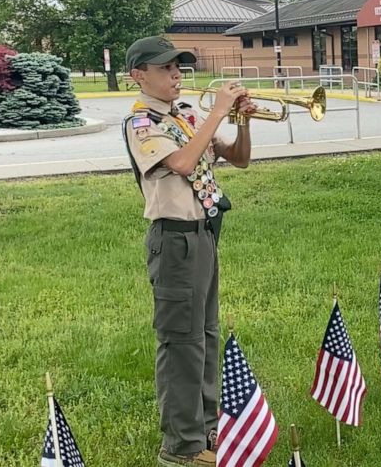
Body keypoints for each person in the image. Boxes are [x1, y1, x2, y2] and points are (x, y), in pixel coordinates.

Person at [122, 36, 256, 467]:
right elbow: (180, 164)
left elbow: (239, 160)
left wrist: (241, 121)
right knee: (181, 342)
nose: (176, 74)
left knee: (206, 335)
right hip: (174, 238)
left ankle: (206, 425)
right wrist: (217, 112)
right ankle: (180, 446)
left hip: (204, 234)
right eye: (164, 68)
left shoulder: (187, 115)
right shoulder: (142, 123)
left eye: (178, 66)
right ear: (138, 76)